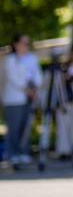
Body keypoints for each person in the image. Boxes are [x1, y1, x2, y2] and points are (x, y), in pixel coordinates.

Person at [2, 36, 39, 171]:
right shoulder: (10, 60)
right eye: (23, 43)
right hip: (14, 99)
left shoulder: (32, 58)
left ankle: (24, 153)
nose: (26, 46)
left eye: (27, 43)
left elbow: (36, 75)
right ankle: (12, 155)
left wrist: (35, 89)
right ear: (16, 44)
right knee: (14, 128)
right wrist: (27, 90)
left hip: (29, 98)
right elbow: (13, 79)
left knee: (26, 126)